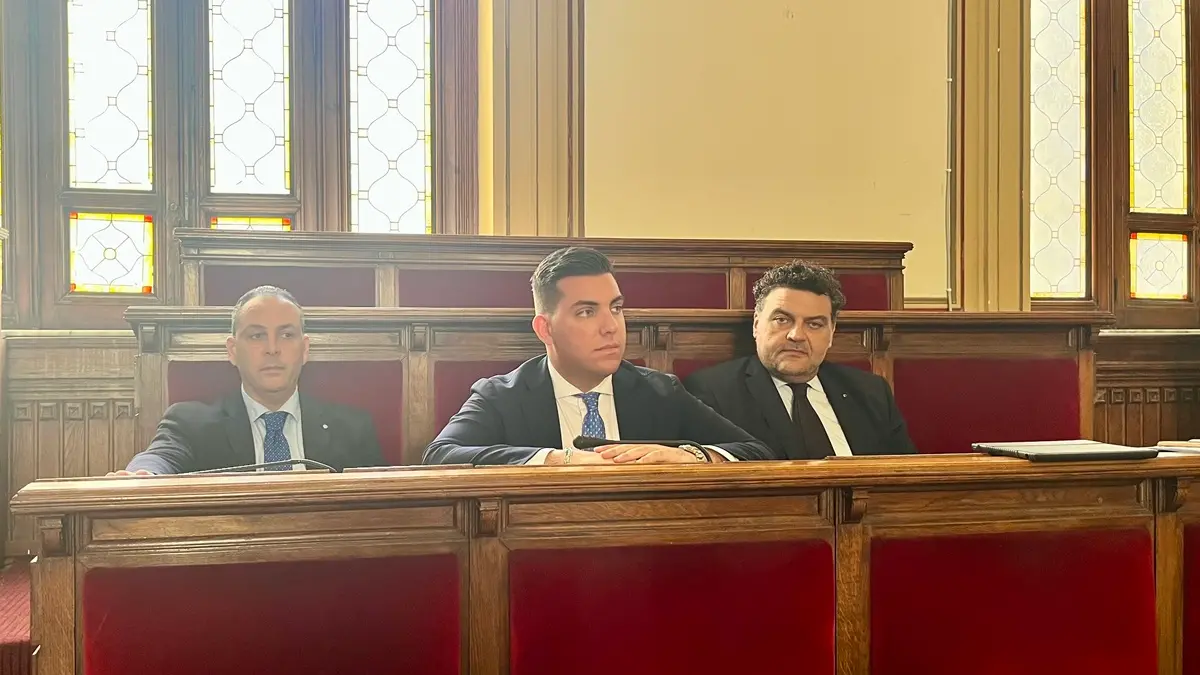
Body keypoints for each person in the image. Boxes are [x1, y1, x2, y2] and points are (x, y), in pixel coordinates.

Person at [425, 247, 773, 466]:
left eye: (616, 308)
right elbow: (440, 455)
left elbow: (756, 450)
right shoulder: (502, 396)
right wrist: (556, 460)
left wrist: (690, 455)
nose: (611, 327)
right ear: (545, 329)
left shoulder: (659, 392)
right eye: (587, 312)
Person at [112, 286, 384, 475]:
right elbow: (160, 457)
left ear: (304, 350)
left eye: (286, 335)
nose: (272, 349)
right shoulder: (190, 423)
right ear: (232, 351)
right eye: (257, 336)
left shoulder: (353, 428)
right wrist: (142, 474)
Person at [684, 260, 916, 459]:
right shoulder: (712, 392)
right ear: (756, 324)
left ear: (831, 332)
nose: (796, 335)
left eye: (814, 324)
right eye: (782, 320)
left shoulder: (871, 392)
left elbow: (906, 476)